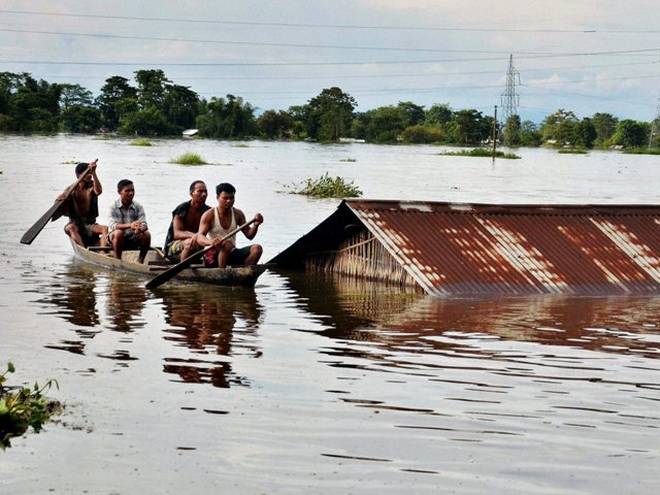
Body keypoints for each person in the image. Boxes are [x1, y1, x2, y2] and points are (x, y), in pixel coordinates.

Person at [196, 182, 263, 268]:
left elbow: (249, 235)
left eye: (231, 198)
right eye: (225, 198)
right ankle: (222, 272)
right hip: (211, 257)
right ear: (217, 198)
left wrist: (256, 225)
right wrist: (211, 242)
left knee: (257, 249)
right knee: (227, 244)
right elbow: (199, 237)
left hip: (230, 252)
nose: (229, 201)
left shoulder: (238, 214)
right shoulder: (209, 215)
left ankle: (243, 273)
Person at [58, 160, 109, 251]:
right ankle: (83, 250)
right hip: (75, 224)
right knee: (71, 227)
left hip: (89, 223)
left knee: (104, 228)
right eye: (87, 173)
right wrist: (60, 199)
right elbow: (59, 204)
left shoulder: (92, 186)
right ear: (79, 175)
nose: (89, 175)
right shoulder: (71, 189)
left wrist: (94, 172)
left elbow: (99, 191)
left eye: (90, 173)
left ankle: (102, 252)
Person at [163, 180, 211, 261]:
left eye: (205, 191)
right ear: (191, 193)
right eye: (200, 191)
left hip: (198, 246)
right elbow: (177, 234)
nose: (204, 194)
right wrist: (194, 236)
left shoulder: (209, 212)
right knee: (189, 243)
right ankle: (182, 270)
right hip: (173, 247)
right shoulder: (182, 209)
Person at [109, 179, 151, 263]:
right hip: (115, 237)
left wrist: (140, 228)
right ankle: (118, 260)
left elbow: (144, 224)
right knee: (118, 233)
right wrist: (130, 225)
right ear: (119, 192)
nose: (131, 193)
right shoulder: (113, 206)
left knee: (147, 234)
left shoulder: (138, 206)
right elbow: (113, 225)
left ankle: (140, 261)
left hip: (132, 236)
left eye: (132, 190)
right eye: (127, 191)